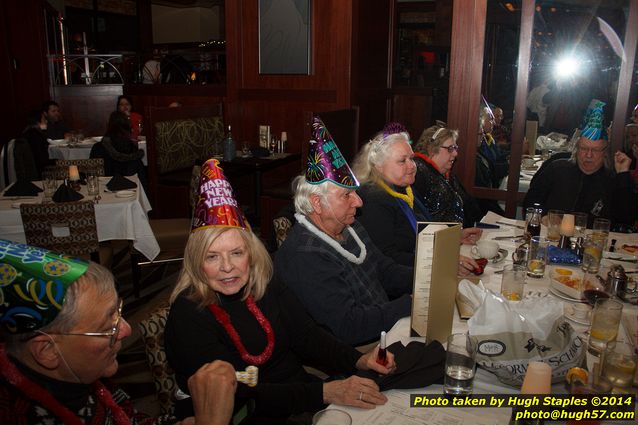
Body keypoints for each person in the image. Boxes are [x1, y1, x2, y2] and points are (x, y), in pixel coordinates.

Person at [164, 158, 395, 424]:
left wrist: (359, 361)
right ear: (195, 261)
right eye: (212, 257)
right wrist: (323, 392)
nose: (227, 267)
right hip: (247, 414)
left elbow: (305, 334)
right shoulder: (188, 313)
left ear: (250, 252)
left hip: (298, 395)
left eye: (236, 253)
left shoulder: (264, 280)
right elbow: (240, 393)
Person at [0, 239, 237, 425]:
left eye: (119, 311)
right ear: (47, 350)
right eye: (107, 327)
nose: (126, 329)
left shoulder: (91, 381)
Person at [275, 117, 414, 346]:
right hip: (355, 351)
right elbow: (349, 326)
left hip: (383, 327)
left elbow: (384, 270)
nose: (359, 202)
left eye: (355, 192)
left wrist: (427, 278)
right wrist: (408, 303)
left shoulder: (350, 226)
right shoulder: (306, 253)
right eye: (346, 195)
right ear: (317, 203)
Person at [352, 123, 481, 274]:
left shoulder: (403, 188)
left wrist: (454, 238)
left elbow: (422, 231)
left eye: (412, 158)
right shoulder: (372, 199)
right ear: (379, 166)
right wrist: (443, 261)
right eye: (402, 161)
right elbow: (389, 257)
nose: (412, 166)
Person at [524, 100, 634, 227]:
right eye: (584, 148)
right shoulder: (557, 169)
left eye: (595, 150)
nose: (588, 155)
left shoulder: (612, 180)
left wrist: (623, 175)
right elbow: (531, 201)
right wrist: (542, 216)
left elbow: (626, 219)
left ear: (604, 152)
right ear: (576, 149)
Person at [412, 125, 484, 228]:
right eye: (450, 148)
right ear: (432, 148)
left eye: (455, 148)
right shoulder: (417, 173)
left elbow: (469, 205)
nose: (455, 153)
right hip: (442, 241)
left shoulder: (446, 174)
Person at [91, 111, 146, 183]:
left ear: (109, 126)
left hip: (105, 188)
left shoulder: (98, 148)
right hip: (131, 189)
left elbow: (92, 176)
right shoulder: (133, 149)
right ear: (127, 127)